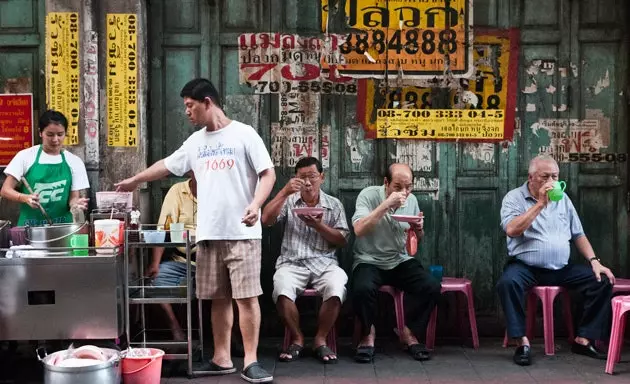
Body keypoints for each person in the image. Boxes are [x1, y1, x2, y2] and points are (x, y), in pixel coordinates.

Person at [115, 78, 276, 383]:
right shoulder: (195, 142)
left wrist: (256, 204)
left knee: (247, 298)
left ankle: (251, 361)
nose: (187, 112)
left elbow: (267, 173)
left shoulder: (244, 134)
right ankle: (221, 357)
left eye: (190, 105)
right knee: (218, 298)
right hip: (208, 234)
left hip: (242, 232)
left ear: (207, 102)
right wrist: (137, 179)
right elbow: (166, 165)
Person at [497, 154, 615, 366]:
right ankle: (521, 342)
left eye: (555, 176)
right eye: (545, 177)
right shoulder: (514, 198)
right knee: (508, 283)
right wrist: (541, 204)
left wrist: (595, 261)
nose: (552, 181)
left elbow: (578, 234)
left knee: (602, 280)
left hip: (561, 268)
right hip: (526, 267)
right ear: (531, 177)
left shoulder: (564, 200)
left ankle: (584, 338)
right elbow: (512, 230)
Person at [261, 156, 349, 364]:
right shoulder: (289, 201)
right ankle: (297, 337)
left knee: (337, 285)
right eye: (302, 178)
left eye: (312, 176)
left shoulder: (333, 204)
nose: (308, 183)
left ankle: (320, 338)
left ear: (322, 177)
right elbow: (266, 220)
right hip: (292, 262)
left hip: (324, 262)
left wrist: (319, 226)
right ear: (295, 179)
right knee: (281, 287)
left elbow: (342, 240)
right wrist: (284, 192)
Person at [351, 163, 441, 363]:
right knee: (362, 288)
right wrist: (386, 205)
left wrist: (418, 230)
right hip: (369, 259)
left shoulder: (412, 200)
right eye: (398, 187)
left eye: (408, 187)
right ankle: (368, 334)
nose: (404, 192)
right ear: (386, 183)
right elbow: (358, 230)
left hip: (399, 259)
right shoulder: (368, 195)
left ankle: (409, 333)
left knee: (432, 286)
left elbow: (413, 247)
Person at [1, 110, 89, 226]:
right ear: (40, 132)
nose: (55, 139)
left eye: (60, 134)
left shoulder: (74, 161)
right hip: (30, 227)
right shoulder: (25, 156)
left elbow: (73, 198)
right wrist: (25, 198)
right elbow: (5, 190)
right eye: (50, 134)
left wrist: (76, 205)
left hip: (62, 228)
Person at [145, 172, 198, 342]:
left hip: (212, 260)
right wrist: (155, 264)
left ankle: (231, 337)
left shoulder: (218, 190)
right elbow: (163, 229)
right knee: (155, 280)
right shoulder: (177, 191)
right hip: (182, 261)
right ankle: (176, 329)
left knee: (232, 284)